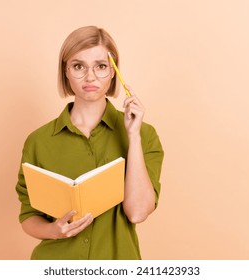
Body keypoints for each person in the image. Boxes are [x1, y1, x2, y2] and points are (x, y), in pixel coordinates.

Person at [15, 26, 164, 260]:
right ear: (65, 71)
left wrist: (133, 137)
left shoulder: (145, 135)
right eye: (78, 66)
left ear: (114, 72)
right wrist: (54, 231)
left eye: (101, 66)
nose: (90, 77)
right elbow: (28, 217)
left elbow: (137, 212)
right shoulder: (38, 141)